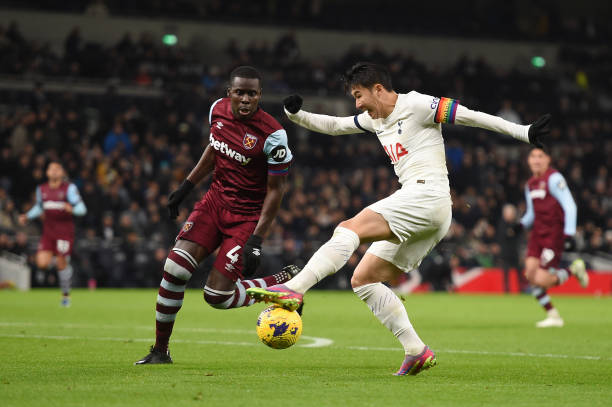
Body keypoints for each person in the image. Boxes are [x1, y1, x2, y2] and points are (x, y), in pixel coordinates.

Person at [247, 62, 551, 376]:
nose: (357, 104)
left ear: (378, 88)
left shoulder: (417, 105)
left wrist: (523, 132)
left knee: (348, 228)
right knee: (363, 280)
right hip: (430, 212)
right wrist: (297, 116)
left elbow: (472, 117)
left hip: (426, 196)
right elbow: (336, 126)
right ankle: (416, 350)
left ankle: (295, 289)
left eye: (358, 94)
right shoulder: (375, 119)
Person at [135, 66, 297, 365]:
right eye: (240, 92)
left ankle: (280, 286)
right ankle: (160, 350)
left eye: (252, 93)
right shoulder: (217, 111)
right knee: (175, 269)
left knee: (216, 297)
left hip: (245, 217)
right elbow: (214, 149)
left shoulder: (273, 135)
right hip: (212, 204)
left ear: (260, 96)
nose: (245, 99)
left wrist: (257, 239)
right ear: (229, 93)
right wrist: (186, 187)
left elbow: (276, 190)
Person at [520, 147, 588, 328]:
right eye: (533, 156)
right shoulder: (530, 184)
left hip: (553, 235)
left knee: (542, 279)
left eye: (540, 156)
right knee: (530, 274)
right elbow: (531, 214)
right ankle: (553, 316)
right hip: (537, 235)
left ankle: (574, 269)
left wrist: (569, 234)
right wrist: (519, 225)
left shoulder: (554, 179)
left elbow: (570, 206)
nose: (536, 160)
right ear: (528, 160)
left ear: (548, 159)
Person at [18, 161, 87, 306]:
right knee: (42, 263)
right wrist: (27, 216)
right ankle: (65, 267)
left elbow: (82, 208)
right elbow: (39, 207)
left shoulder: (69, 189)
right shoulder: (41, 189)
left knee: (61, 262)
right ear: (47, 172)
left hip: (64, 232)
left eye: (57, 168)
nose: (54, 171)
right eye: (51, 168)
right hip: (48, 232)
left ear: (62, 173)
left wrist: (73, 209)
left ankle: (66, 296)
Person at [496, 204, 525, 293]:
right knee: (505, 273)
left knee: (519, 273)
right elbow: (504, 235)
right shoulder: (502, 224)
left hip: (515, 252)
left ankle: (521, 289)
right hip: (505, 252)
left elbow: (518, 234)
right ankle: (506, 290)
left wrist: (511, 232)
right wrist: (511, 232)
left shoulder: (516, 224)